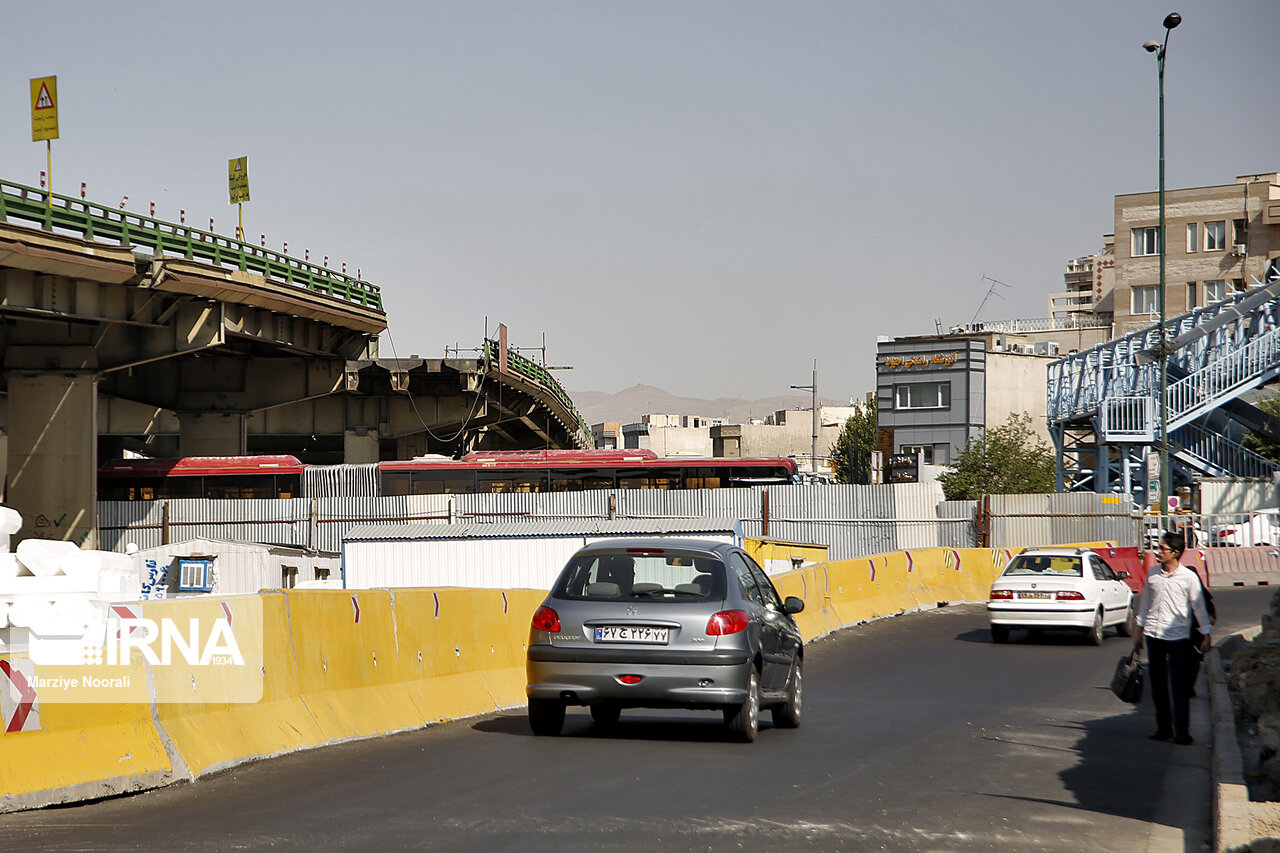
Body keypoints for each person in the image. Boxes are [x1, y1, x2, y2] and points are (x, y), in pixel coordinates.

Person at [1133, 532, 1213, 745]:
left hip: (1179, 638)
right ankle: (1164, 728)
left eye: (1162, 548)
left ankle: (1182, 732)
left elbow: (1199, 607)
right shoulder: (1152, 574)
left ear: (1175, 553)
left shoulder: (1188, 577)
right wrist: (1138, 631)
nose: (1158, 552)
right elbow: (1145, 603)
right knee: (1158, 686)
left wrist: (1206, 635)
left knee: (1179, 686)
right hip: (1154, 635)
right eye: (1158, 548)